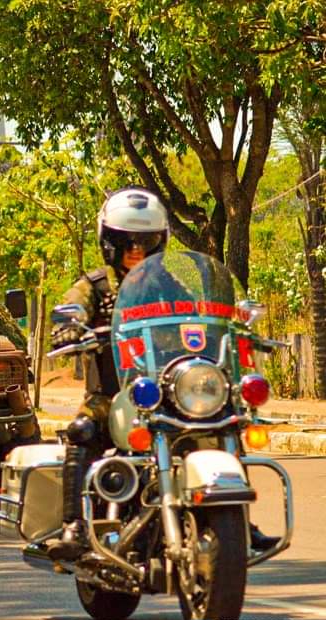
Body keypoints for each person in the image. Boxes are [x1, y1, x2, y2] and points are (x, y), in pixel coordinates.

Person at [46, 187, 278, 561]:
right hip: (115, 395)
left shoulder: (170, 285)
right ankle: (74, 524)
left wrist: (233, 321)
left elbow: (204, 312)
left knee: (223, 424)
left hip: (172, 389)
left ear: (161, 242)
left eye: (146, 241)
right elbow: (68, 309)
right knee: (83, 431)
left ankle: (237, 520)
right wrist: (69, 326)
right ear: (109, 243)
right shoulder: (94, 286)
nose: (136, 250)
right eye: (126, 242)